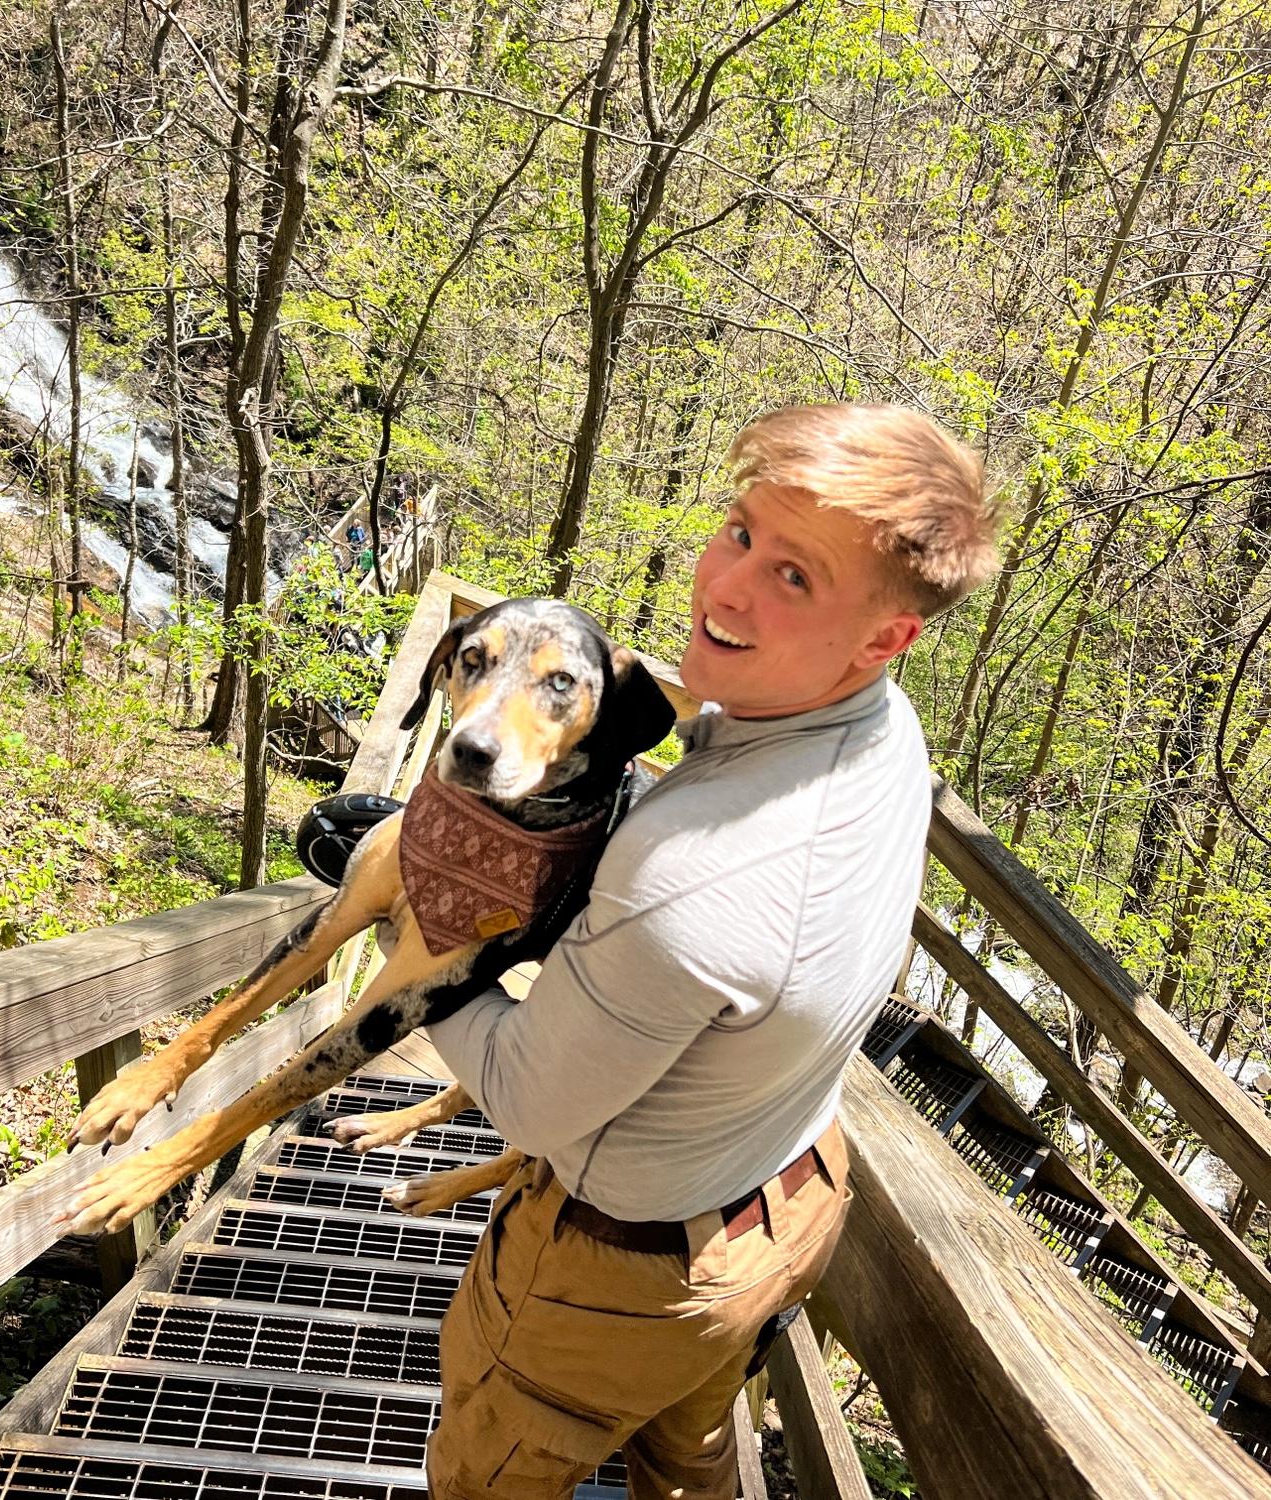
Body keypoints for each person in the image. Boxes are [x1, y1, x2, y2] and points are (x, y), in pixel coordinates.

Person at [421, 403, 999, 1500]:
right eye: (740, 532)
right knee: (689, 1461)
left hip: (612, 1273)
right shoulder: (883, 726)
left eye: (795, 578)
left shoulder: (685, 879)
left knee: (484, 1475)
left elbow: (527, 1101)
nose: (725, 587)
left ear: (884, 638)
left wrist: (428, 906)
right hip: (783, 1197)